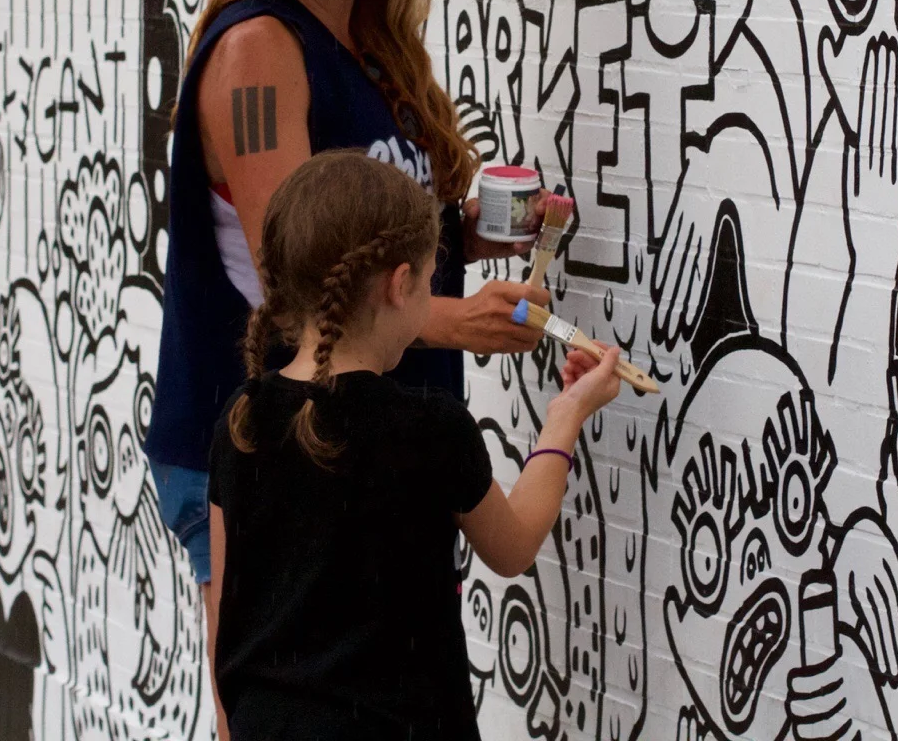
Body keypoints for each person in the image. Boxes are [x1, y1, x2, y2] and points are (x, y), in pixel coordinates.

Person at [144, 0, 551, 701]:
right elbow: (297, 271)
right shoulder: (259, 49)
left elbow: (372, 238)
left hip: (364, 440)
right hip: (266, 446)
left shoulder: (370, 39)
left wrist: (477, 235)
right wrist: (458, 321)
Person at [208, 150, 624, 741]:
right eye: (432, 281)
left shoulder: (242, 420)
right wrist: (567, 414)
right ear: (400, 285)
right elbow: (512, 548)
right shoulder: (429, 428)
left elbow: (227, 612)